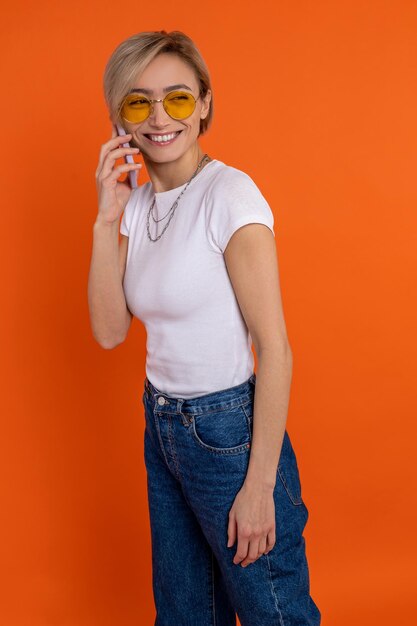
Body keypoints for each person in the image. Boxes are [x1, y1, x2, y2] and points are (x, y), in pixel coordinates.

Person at [88, 29, 321, 626]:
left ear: (205, 104)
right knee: (186, 613)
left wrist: (259, 486)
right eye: (139, 102)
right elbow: (110, 331)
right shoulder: (135, 207)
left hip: (228, 435)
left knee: (273, 611)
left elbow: (276, 349)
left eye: (179, 98)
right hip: (161, 426)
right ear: (121, 116)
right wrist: (106, 218)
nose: (160, 117)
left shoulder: (230, 195)